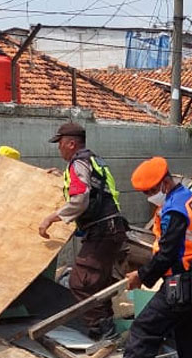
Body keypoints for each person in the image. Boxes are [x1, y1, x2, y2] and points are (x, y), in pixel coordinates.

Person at [90, 156, 192, 358]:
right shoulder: (188, 199)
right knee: (189, 338)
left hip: (180, 283)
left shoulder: (175, 209)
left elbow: (167, 253)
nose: (148, 196)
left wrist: (142, 276)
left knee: (143, 331)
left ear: (164, 183)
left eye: (150, 191)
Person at [38, 122, 127, 340]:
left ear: (71, 143)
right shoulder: (93, 160)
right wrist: (61, 177)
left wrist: (52, 217)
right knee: (98, 282)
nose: (58, 148)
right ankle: (104, 328)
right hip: (112, 228)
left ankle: (103, 329)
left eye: (59, 143)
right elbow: (94, 188)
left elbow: (80, 200)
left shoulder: (78, 164)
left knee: (81, 282)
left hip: (102, 230)